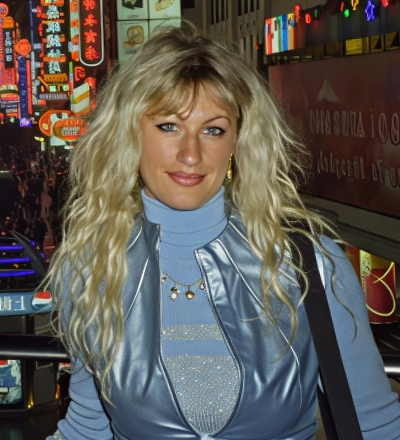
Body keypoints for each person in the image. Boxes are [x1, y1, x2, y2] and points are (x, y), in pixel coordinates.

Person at [44, 22, 400, 440]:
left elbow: (376, 424)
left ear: (237, 141)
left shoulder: (309, 265)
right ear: (129, 133)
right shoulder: (91, 269)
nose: (191, 154)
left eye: (213, 130)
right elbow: (88, 427)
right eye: (168, 126)